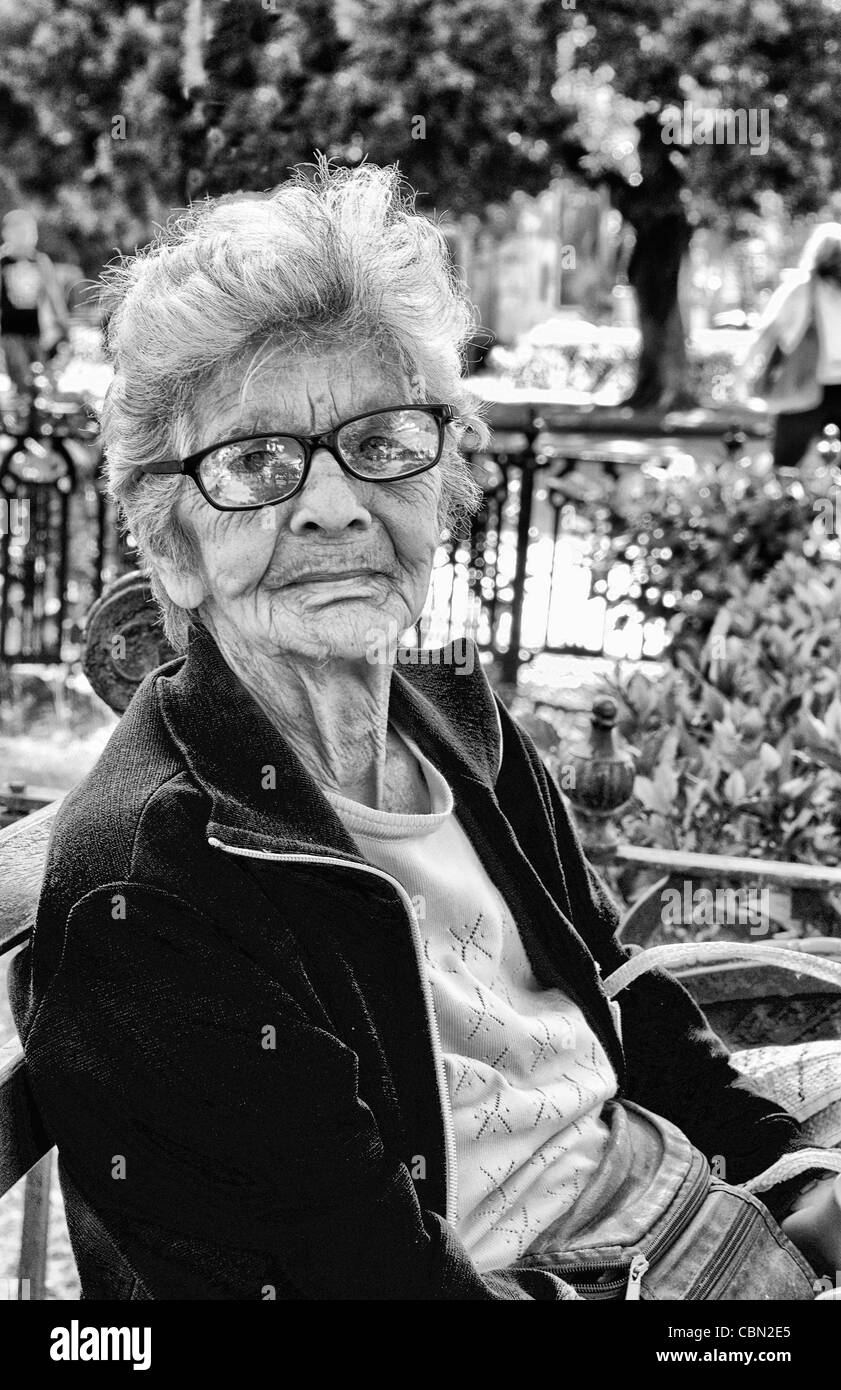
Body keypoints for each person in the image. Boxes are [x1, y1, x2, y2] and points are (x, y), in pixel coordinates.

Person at [9, 161, 841, 1300]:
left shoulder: (458, 719)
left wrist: (786, 1174)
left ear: (440, 483)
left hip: (688, 1207)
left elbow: (614, 977)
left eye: (383, 441)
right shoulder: (159, 886)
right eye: (254, 463)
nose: (335, 503)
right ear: (171, 549)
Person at [749, 221, 841, 468]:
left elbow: (767, 332)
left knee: (785, 466)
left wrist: (743, 370)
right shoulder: (804, 288)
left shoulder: (801, 287)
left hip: (804, 387)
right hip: (815, 386)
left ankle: (790, 505)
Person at [0, 207, 71, 408]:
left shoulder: (40, 261)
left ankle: (34, 417)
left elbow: (53, 294)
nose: (26, 237)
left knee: (39, 375)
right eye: (20, 232)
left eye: (30, 232)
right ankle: (21, 419)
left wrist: (63, 324)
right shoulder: (3, 262)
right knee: (19, 373)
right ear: (6, 234)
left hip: (35, 331)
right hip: (10, 331)